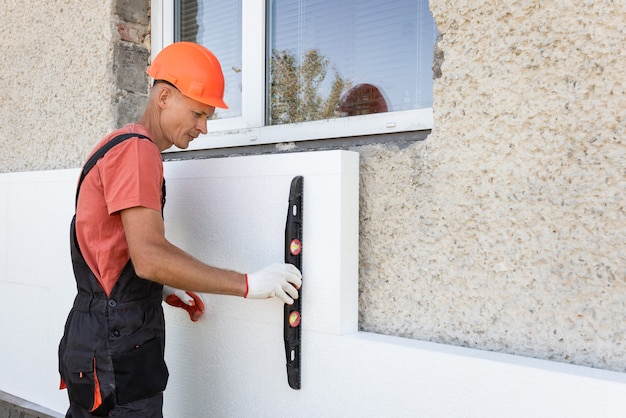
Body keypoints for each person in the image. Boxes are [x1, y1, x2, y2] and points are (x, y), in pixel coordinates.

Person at [58, 42, 302, 417]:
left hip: (94, 338)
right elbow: (150, 257)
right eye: (197, 113)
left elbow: (110, 247)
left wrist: (158, 287)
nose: (203, 127)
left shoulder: (115, 144)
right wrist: (249, 284)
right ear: (165, 97)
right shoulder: (138, 151)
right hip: (117, 347)